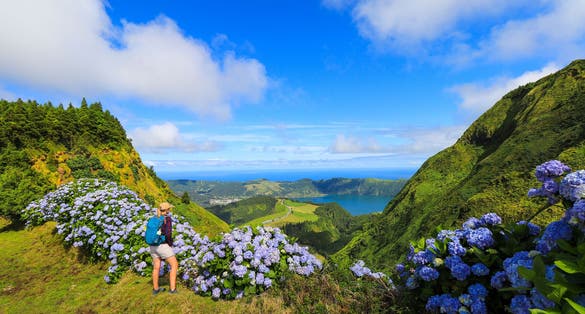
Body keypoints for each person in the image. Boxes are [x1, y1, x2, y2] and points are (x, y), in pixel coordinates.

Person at [150, 202, 179, 295]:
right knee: (174, 265)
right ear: (166, 210)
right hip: (162, 245)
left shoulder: (154, 218)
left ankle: (155, 289)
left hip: (152, 246)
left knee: (156, 267)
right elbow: (168, 234)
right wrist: (170, 244)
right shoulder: (167, 219)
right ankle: (172, 289)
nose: (169, 210)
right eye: (169, 209)